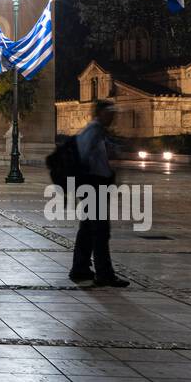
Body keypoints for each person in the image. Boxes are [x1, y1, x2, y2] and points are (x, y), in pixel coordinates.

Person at [68, 99, 129, 289]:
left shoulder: (97, 131)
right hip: (93, 185)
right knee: (101, 231)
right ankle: (104, 274)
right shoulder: (94, 131)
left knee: (88, 228)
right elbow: (82, 155)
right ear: (100, 113)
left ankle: (80, 269)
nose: (113, 117)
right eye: (110, 113)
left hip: (93, 184)